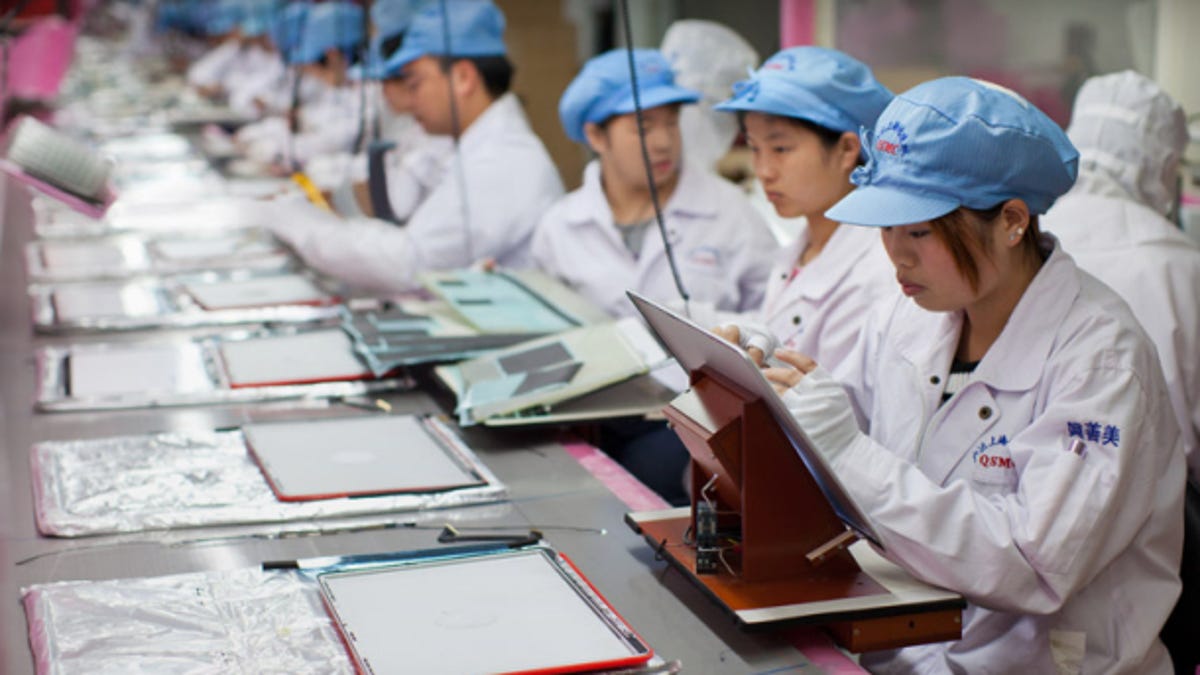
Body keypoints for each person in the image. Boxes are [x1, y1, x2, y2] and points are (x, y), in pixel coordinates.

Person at [758, 77, 1183, 673]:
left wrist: (846, 451)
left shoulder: (1101, 359)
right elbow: (840, 434)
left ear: (1011, 220)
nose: (896, 256)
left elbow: (1035, 565)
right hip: (906, 644)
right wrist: (768, 391)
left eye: (921, 231)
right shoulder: (908, 316)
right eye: (886, 228)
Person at [263, 0, 563, 294]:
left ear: (463, 78)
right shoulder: (471, 146)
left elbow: (410, 261)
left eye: (415, 82)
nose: (409, 99)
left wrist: (301, 225)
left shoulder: (503, 161)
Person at [531, 48, 777, 320]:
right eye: (643, 129)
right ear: (596, 136)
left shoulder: (731, 212)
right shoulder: (559, 228)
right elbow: (543, 325)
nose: (664, 143)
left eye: (672, 123)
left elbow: (778, 315)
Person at [1043, 70, 1200, 485]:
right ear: (1164, 163)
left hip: (1033, 490)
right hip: (1166, 512)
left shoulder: (1032, 240)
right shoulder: (1181, 267)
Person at [710, 46, 895, 367]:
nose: (764, 170)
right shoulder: (802, 247)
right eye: (755, 148)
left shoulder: (882, 267)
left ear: (847, 149)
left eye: (780, 148)